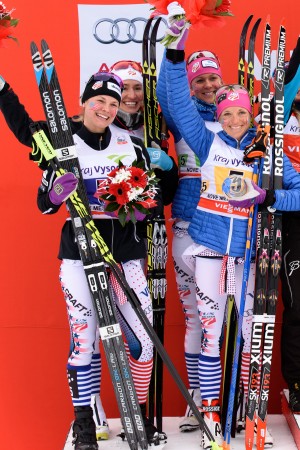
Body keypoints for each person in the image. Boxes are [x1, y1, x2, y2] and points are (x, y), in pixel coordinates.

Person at [158, 3, 300, 448]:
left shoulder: (266, 149)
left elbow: (299, 192)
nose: (235, 119)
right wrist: (176, 41)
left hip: (251, 254)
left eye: (241, 113)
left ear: (250, 114)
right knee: (211, 333)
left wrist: (269, 196)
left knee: (248, 337)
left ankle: (245, 413)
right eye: (227, 113)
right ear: (217, 116)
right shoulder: (204, 141)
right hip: (208, 251)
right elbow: (176, 98)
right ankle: (211, 417)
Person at [36, 71, 170, 449]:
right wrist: (56, 192)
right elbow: (44, 206)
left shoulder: (131, 144)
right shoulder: (64, 146)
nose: (107, 109)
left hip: (125, 256)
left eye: (113, 103)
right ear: (84, 103)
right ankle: (84, 427)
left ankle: (137, 417)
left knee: (142, 340)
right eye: (99, 101)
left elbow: (156, 199)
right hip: (79, 256)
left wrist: (137, 200)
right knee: (84, 341)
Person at [157, 45, 223, 432]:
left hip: (224, 230)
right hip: (185, 225)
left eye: (212, 77)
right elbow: (170, 92)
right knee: (196, 319)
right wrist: (175, 50)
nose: (208, 85)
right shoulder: (182, 119)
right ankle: (198, 399)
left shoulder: (236, 116)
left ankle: (221, 399)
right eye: (199, 79)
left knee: (224, 320)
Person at [278, 38, 300, 413]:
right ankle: (297, 382)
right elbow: (288, 84)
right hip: (294, 219)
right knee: (298, 306)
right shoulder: (283, 117)